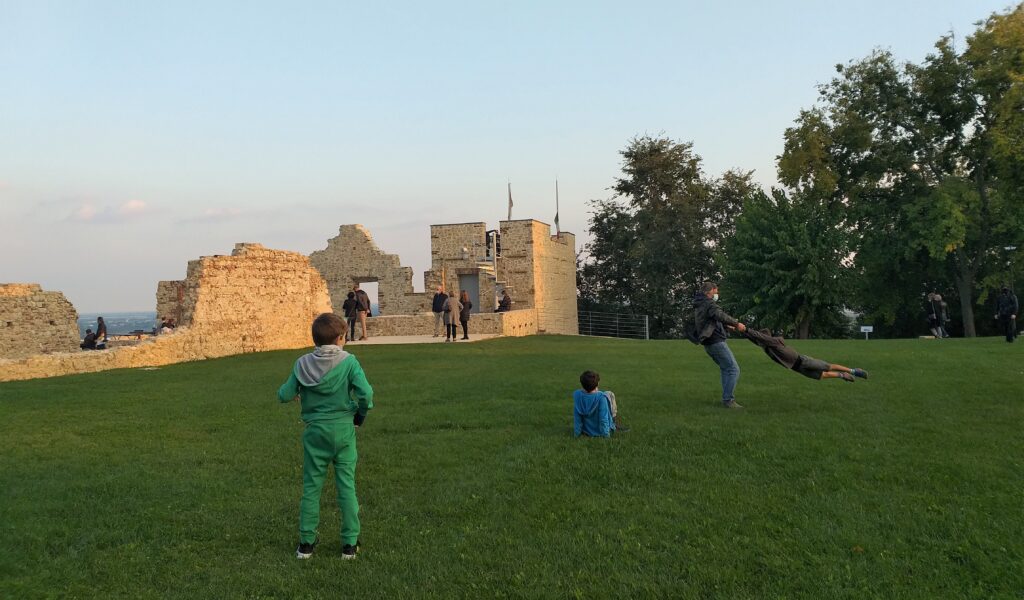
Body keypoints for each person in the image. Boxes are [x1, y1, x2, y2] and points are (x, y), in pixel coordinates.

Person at [277, 313, 373, 560]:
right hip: (343, 430)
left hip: (315, 432)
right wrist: (359, 416)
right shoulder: (350, 362)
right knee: (346, 487)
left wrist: (298, 389)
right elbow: (366, 395)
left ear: (315, 339)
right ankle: (349, 544)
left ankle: (306, 545)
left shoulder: (302, 364)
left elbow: (284, 394)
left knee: (311, 487)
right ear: (341, 338)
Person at [743, 328, 869, 382]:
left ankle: (854, 371)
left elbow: (757, 336)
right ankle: (842, 375)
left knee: (827, 366)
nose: (759, 341)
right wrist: (742, 332)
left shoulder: (773, 341)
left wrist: (746, 329)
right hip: (796, 368)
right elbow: (755, 339)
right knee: (820, 376)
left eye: (761, 339)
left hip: (803, 361)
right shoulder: (766, 347)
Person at [693, 282, 746, 408]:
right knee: (733, 369)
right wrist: (736, 323)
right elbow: (719, 315)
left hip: (708, 343)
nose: (717, 294)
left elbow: (709, 320)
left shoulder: (699, 303)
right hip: (716, 342)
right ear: (709, 291)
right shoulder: (709, 303)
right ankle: (728, 400)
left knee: (726, 369)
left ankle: (726, 399)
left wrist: (727, 326)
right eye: (716, 291)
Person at [573, 370, 629, 437]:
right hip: (600, 431)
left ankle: (612, 424)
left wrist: (577, 434)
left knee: (608, 393)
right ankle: (613, 424)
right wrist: (606, 435)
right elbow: (603, 419)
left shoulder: (577, 395)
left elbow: (577, 418)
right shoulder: (601, 398)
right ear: (598, 384)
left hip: (586, 431)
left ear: (582, 384)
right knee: (609, 394)